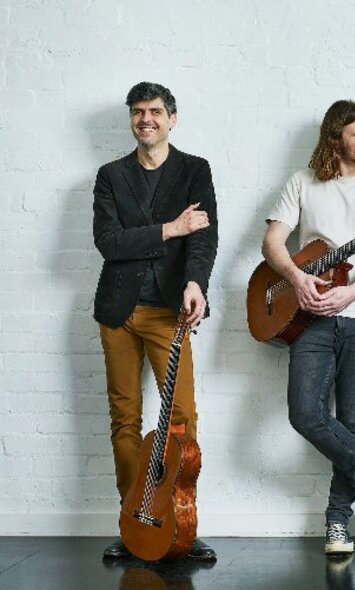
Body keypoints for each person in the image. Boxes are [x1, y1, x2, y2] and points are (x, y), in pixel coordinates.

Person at [261, 100, 355, 556]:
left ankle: (338, 522)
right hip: (310, 320)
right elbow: (271, 242)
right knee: (305, 414)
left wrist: (354, 290)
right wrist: (297, 277)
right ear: (335, 139)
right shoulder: (302, 183)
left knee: (353, 421)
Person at [93, 82, 218, 560]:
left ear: (172, 118)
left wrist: (196, 283)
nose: (147, 119)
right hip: (118, 313)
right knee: (125, 419)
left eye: (156, 111)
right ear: (131, 119)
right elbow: (109, 242)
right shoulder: (110, 176)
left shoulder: (193, 170)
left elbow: (204, 237)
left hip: (170, 311)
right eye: (138, 112)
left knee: (180, 421)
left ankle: (179, 520)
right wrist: (170, 228)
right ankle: (134, 521)